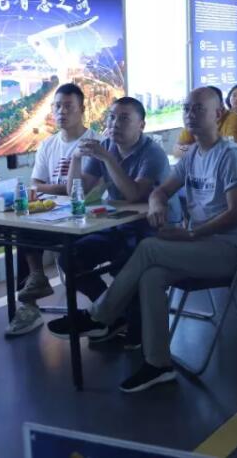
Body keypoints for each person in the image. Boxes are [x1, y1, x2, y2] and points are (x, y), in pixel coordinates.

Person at [48, 87, 237, 392]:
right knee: (152, 276)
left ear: (218, 114)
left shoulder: (229, 155)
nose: (190, 114)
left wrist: (191, 233)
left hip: (230, 246)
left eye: (198, 109)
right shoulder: (193, 155)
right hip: (200, 244)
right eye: (186, 108)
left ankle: (99, 315)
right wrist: (158, 203)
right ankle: (158, 364)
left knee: (148, 247)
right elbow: (160, 191)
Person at [62, 97, 179, 344]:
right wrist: (76, 159)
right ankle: (114, 314)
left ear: (142, 125)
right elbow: (76, 191)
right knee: (70, 257)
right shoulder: (106, 147)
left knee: (128, 259)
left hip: (158, 229)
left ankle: (123, 322)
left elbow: (133, 194)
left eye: (124, 118)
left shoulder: (152, 153)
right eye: (112, 117)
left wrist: (108, 159)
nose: (114, 124)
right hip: (120, 225)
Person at [5, 83, 99, 336]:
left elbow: (79, 190)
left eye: (68, 106)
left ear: (82, 109)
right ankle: (31, 298)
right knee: (22, 227)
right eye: (57, 106)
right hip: (54, 216)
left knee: (63, 253)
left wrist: (54, 189)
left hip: (86, 219)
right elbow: (35, 186)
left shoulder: (95, 144)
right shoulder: (48, 145)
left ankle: (108, 308)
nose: (61, 112)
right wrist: (61, 188)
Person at [175, 86, 237, 155]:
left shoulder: (233, 119)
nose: (190, 114)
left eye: (199, 108)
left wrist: (193, 150)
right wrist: (193, 150)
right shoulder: (194, 120)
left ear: (220, 108)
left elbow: (229, 151)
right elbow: (177, 149)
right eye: (186, 109)